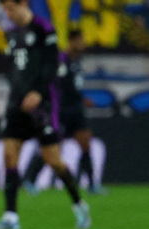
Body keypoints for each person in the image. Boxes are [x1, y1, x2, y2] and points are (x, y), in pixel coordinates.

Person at [0, 0, 90, 229]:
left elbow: (52, 65)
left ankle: (79, 204)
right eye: (5, 10)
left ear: (23, 3)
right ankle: (11, 216)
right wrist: (16, 91)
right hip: (16, 104)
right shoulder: (11, 34)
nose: (8, 14)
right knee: (9, 155)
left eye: (11, 8)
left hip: (43, 104)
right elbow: (13, 68)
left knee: (53, 160)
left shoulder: (43, 28)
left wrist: (37, 91)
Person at [22, 28, 106, 196]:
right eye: (80, 40)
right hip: (61, 111)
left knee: (85, 142)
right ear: (72, 41)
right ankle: (29, 180)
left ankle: (92, 185)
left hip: (76, 111)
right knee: (52, 148)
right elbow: (56, 85)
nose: (83, 44)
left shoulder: (76, 61)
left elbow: (73, 86)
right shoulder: (61, 60)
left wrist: (82, 100)